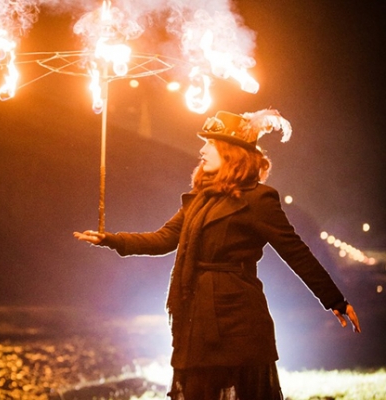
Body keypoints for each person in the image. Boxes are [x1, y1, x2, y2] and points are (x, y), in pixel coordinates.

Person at [74, 109, 361, 400]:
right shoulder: (199, 199)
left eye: (210, 143)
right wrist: (110, 239)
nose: (202, 149)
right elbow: (162, 239)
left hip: (238, 317)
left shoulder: (259, 199)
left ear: (230, 153)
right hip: (196, 316)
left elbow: (296, 252)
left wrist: (334, 299)